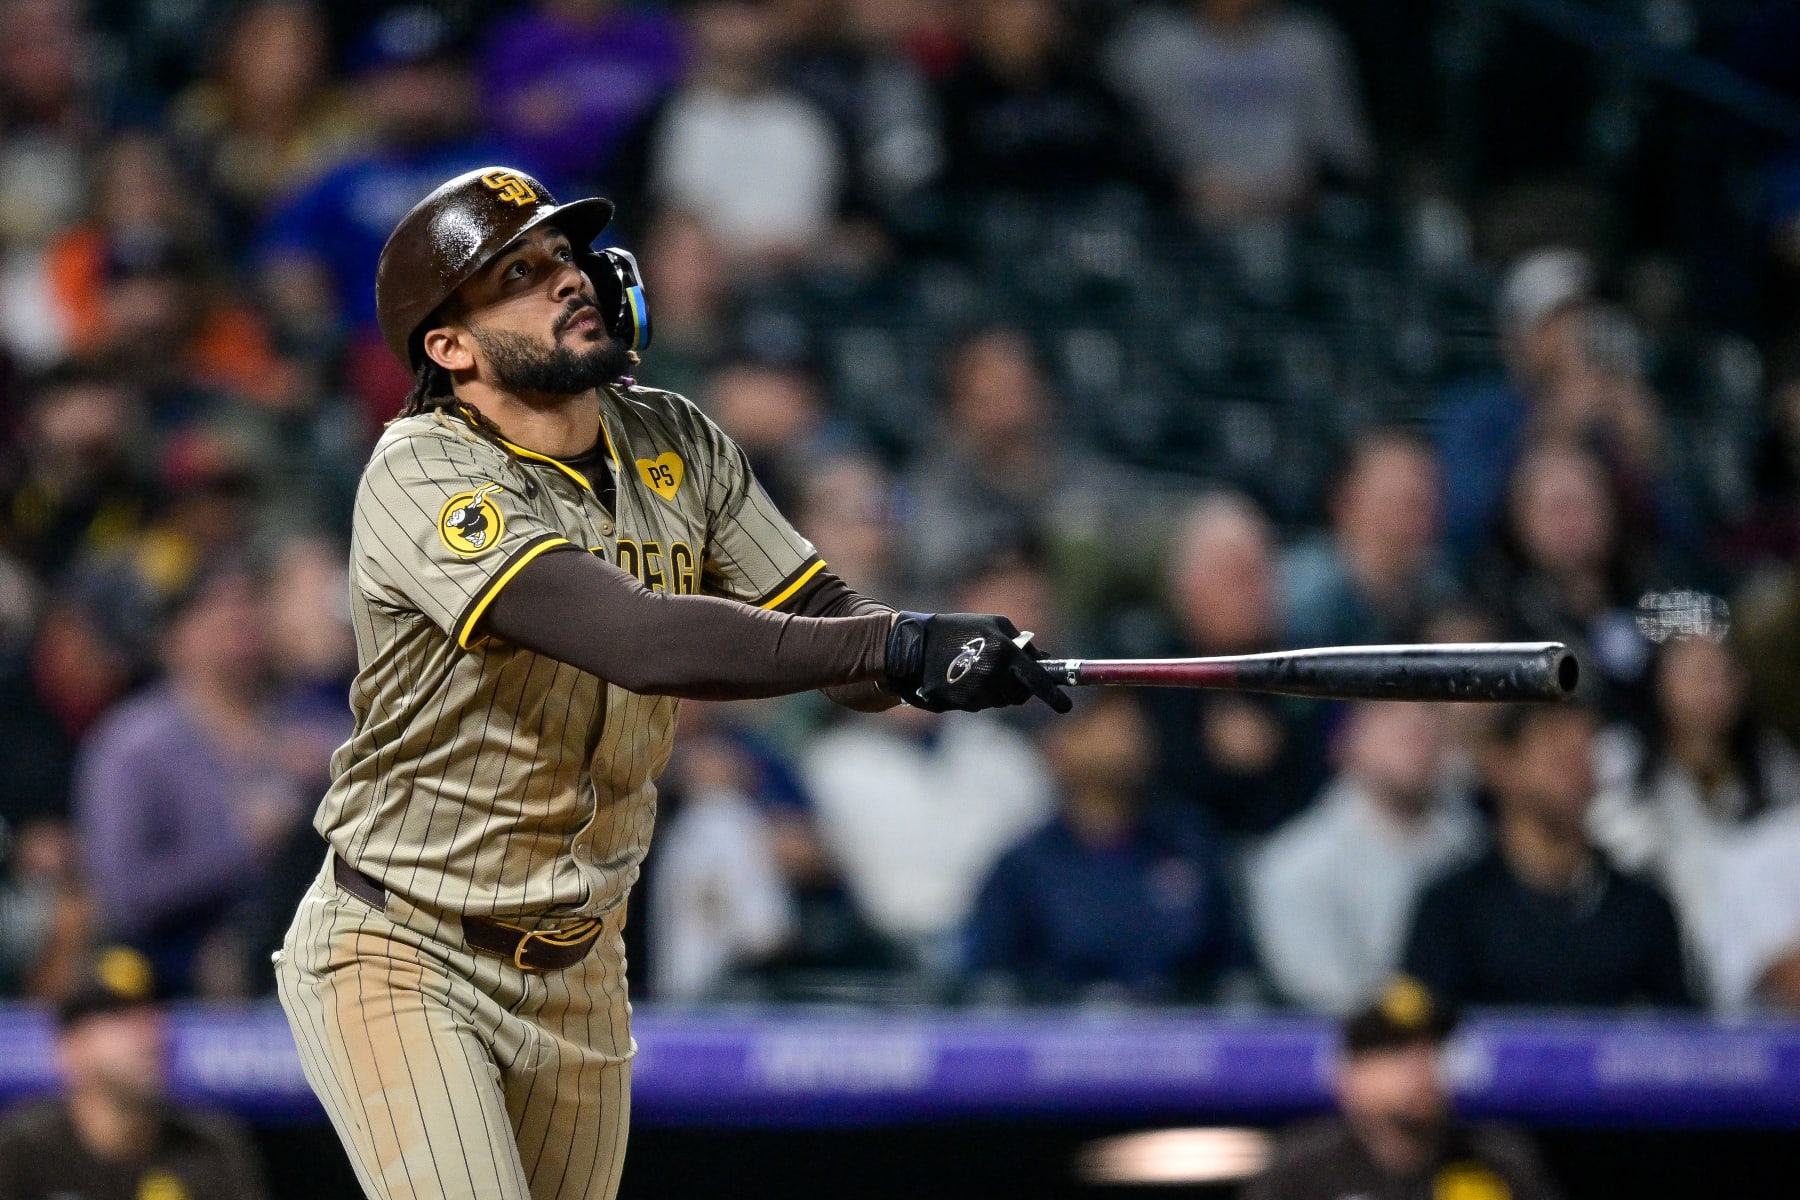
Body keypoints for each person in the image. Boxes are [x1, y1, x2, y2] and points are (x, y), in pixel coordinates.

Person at [273, 165, 1068, 1200]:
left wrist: (939, 662)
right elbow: (640, 641)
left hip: (582, 966)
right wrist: (899, 647)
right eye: (519, 271)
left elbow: (832, 627)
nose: (566, 278)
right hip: (405, 945)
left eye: (564, 255)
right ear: (450, 347)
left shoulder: (677, 439)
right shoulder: (422, 470)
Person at [74, 560, 315, 997]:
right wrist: (241, 845)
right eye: (215, 606)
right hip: (171, 963)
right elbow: (124, 896)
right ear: (173, 635)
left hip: (307, 946)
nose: (239, 618)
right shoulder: (134, 743)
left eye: (249, 602)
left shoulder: (311, 729)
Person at [1402, 702, 1691, 1008]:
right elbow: (1415, 1039)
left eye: (1583, 751)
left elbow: (1680, 1041)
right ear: (1501, 764)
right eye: (1555, 752)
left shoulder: (1643, 912)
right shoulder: (1451, 910)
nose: (1573, 770)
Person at [963, 690, 1240, 1002]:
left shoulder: (1189, 843)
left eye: (1131, 725)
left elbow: (1235, 967)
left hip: (1182, 1033)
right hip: (1062, 1035)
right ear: (1056, 746)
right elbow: (990, 981)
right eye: (1097, 724)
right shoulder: (1024, 865)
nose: (1123, 739)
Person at [1249, 702, 1483, 1014]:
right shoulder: (1293, 862)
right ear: (1344, 740)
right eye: (1390, 713)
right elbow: (1318, 997)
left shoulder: (1476, 845)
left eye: (1428, 711)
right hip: (1358, 1047)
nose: (1416, 726)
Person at [1589, 634, 1800, 973]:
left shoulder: (1773, 765)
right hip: (1654, 939)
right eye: (1696, 674)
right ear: (1660, 681)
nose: (1712, 689)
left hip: (1753, 952)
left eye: (1723, 673)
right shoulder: (1620, 760)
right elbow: (1611, 855)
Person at [1244, 977, 1561, 1200]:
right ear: (1349, 1077)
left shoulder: (1499, 1162)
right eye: (1395, 1053)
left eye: (1431, 1050)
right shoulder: (1302, 1171)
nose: (1419, 1068)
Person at [0, 945, 270, 1199]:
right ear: (70, 1047)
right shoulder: (21, 1152)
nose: (148, 1034)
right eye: (119, 1015)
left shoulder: (211, 1149)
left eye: (152, 1012)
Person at [1145, 493, 1328, 837]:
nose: (1255, 592)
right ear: (1186, 585)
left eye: (1262, 573)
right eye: (1237, 576)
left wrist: (1274, 752)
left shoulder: (1306, 668)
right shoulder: (1149, 672)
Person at [1103, 0, 1372, 225]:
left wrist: (1307, 186)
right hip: (1180, 228)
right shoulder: (1147, 46)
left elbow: (1346, 154)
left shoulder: (1309, 41)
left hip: (1301, 223)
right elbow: (1121, 153)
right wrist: (1178, 187)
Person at [1278, 429, 1460, 648]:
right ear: (1345, 502)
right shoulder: (1301, 598)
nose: (1414, 522)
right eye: (1396, 503)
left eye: (1425, 503)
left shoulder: (1438, 584)